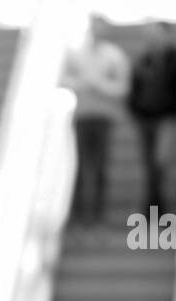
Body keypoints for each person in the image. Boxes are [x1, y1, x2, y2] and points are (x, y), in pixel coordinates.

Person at [62, 15, 130, 229]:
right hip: (82, 115)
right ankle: (77, 214)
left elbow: (123, 88)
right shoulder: (77, 53)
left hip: (104, 117)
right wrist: (83, 83)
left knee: (100, 164)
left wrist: (99, 85)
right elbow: (64, 79)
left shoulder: (114, 56)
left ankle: (98, 213)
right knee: (80, 164)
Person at [128, 22, 176, 218]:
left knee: (160, 162)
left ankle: (157, 210)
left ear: (167, 35)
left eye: (157, 34)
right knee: (149, 164)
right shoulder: (144, 59)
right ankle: (152, 208)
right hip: (144, 120)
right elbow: (134, 88)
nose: (153, 38)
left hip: (167, 118)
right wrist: (134, 110)